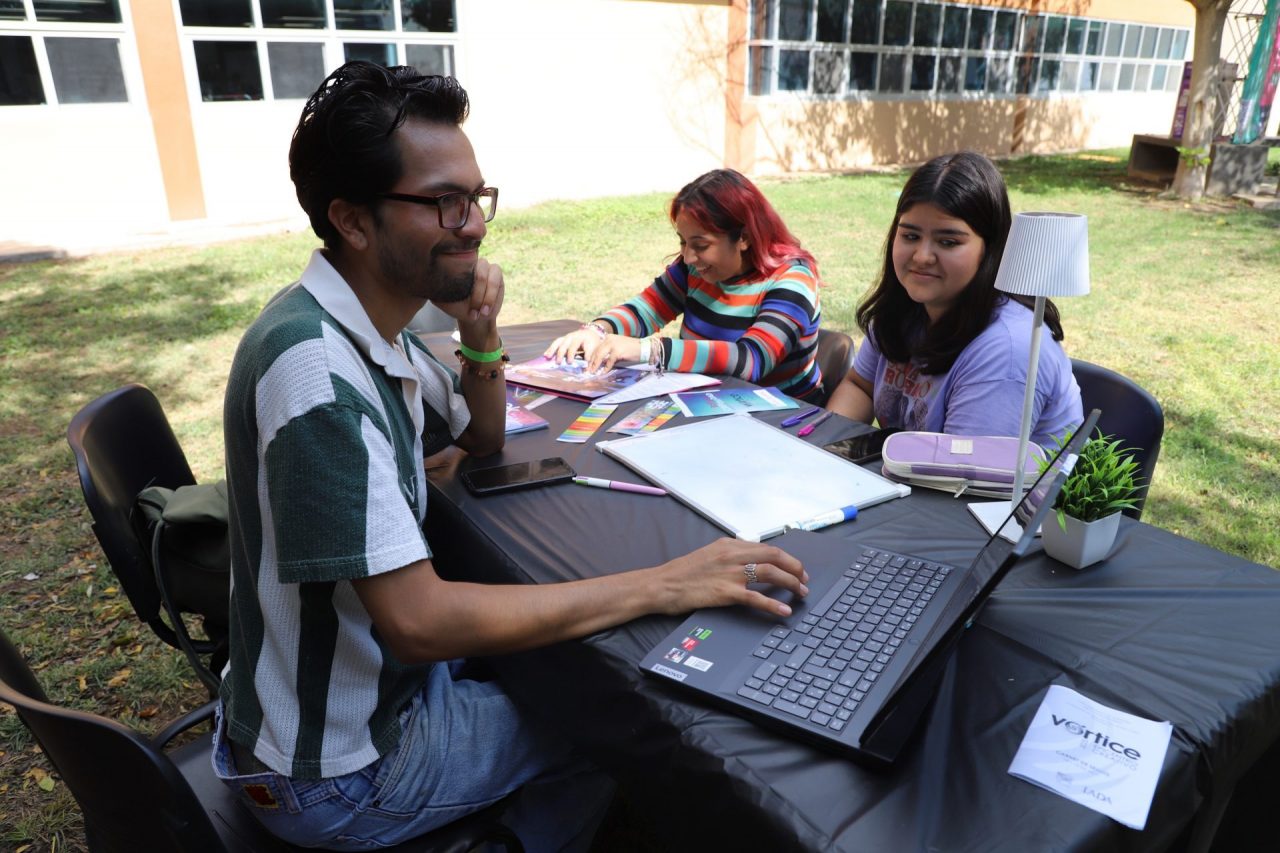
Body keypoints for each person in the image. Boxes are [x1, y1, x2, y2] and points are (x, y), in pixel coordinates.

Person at [215, 61, 809, 853]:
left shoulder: (356, 326)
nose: (474, 225)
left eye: (477, 197)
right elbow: (421, 622)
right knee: (622, 726)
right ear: (353, 221)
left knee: (575, 676)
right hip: (341, 769)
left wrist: (481, 334)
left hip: (356, 699)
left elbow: (482, 438)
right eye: (444, 202)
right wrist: (666, 581)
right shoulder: (318, 373)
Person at [827, 152, 1082, 445]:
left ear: (990, 249)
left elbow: (965, 469)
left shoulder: (1006, 353)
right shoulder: (904, 309)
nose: (922, 257)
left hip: (970, 475)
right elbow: (860, 386)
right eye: (910, 236)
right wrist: (828, 446)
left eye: (948, 242)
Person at [544, 169, 826, 402]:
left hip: (787, 420)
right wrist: (597, 330)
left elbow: (752, 360)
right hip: (711, 405)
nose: (689, 257)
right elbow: (647, 309)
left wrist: (650, 351)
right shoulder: (695, 269)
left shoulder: (793, 280)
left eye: (701, 245)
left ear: (744, 237)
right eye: (683, 241)